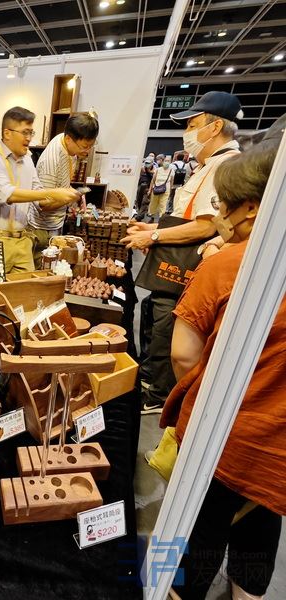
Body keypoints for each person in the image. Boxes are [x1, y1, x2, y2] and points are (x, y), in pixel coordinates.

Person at [161, 139, 284, 600]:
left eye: (222, 206)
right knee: (261, 522)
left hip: (225, 436)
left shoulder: (228, 266)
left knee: (200, 526)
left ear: (250, 207)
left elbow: (183, 355)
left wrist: (203, 396)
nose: (219, 216)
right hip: (279, 446)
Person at [122, 91, 242, 414]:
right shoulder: (208, 165)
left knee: (168, 328)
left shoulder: (225, 166)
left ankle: (160, 394)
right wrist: (152, 228)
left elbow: (204, 226)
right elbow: (188, 215)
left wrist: (155, 235)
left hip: (187, 266)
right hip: (174, 261)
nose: (187, 132)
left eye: (193, 124)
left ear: (215, 127)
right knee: (154, 317)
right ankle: (151, 382)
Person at [0, 106, 80, 275]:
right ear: (7, 133)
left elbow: (39, 197)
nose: (29, 138)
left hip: (23, 239)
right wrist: (53, 192)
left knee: (28, 288)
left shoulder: (27, 160)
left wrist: (66, 197)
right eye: (25, 132)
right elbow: (9, 194)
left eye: (31, 133)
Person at [27, 112, 99, 264]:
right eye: (85, 146)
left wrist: (72, 195)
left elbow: (60, 184)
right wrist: (69, 198)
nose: (87, 151)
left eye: (91, 146)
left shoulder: (68, 145)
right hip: (43, 229)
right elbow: (43, 204)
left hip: (55, 223)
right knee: (44, 268)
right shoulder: (51, 161)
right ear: (69, 139)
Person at [147, 155, 173, 220]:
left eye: (168, 161)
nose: (167, 162)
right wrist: (150, 189)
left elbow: (171, 182)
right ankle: (152, 215)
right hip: (156, 188)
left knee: (163, 204)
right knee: (154, 202)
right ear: (163, 161)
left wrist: (170, 191)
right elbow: (153, 180)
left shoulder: (171, 171)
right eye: (166, 161)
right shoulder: (158, 170)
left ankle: (161, 217)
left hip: (166, 190)